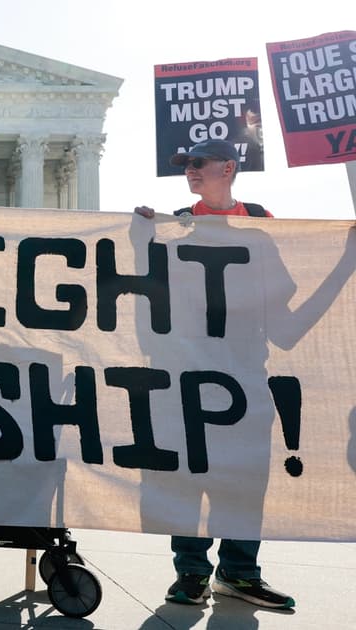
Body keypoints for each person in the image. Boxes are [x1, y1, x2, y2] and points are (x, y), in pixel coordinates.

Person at [134, 139, 294, 610]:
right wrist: (142, 243)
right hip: (187, 370)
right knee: (187, 475)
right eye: (186, 165)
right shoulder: (178, 223)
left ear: (228, 167)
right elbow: (153, 291)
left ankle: (240, 573)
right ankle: (191, 573)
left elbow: (279, 298)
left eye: (198, 163)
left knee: (245, 476)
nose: (190, 170)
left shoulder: (261, 221)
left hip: (244, 370)